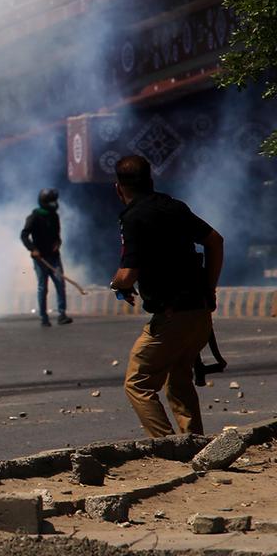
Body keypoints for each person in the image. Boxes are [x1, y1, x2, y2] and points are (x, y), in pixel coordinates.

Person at [110, 155, 224, 438]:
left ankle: (166, 447)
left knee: (138, 382)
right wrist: (209, 288)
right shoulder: (174, 206)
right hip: (199, 314)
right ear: (150, 181)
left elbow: (127, 274)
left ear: (118, 188)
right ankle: (193, 443)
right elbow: (215, 241)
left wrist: (117, 284)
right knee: (179, 378)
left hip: (172, 318)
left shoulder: (133, 217)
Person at [21, 189, 72, 327]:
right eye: (51, 201)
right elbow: (24, 235)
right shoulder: (34, 217)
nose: (54, 204)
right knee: (43, 287)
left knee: (60, 284)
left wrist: (58, 243)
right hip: (40, 259)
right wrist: (33, 249)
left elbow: (57, 236)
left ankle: (62, 314)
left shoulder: (54, 216)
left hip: (54, 257)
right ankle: (44, 317)